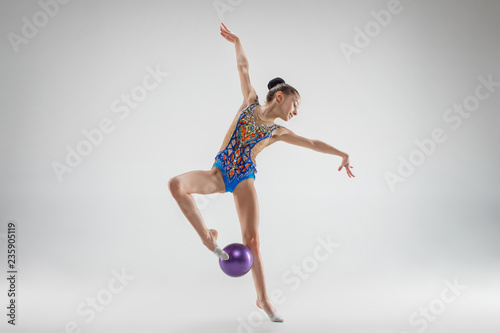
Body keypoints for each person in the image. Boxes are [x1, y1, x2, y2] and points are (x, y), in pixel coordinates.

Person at [168, 22, 355, 323]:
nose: (296, 113)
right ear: (280, 97)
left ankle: (263, 300)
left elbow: (312, 143)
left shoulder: (278, 132)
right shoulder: (249, 101)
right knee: (176, 184)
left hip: (243, 178)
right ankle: (208, 238)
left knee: (252, 241)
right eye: (296, 105)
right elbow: (243, 68)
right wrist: (237, 42)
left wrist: (342, 154)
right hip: (218, 172)